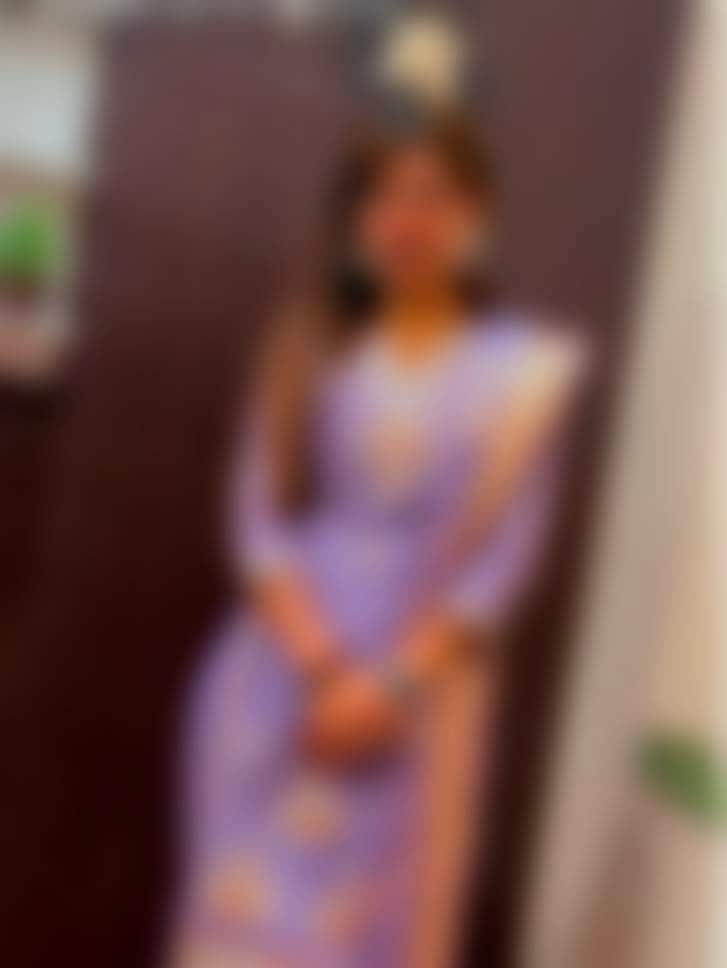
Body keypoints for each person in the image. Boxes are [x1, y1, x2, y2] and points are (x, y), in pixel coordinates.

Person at [167, 105, 587, 968]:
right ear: (358, 219)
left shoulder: (520, 377)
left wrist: (386, 687)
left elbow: (503, 562)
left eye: (432, 196)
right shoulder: (308, 352)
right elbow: (257, 526)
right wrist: (325, 674)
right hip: (277, 685)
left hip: (416, 705)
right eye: (385, 198)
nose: (408, 221)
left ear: (477, 212)